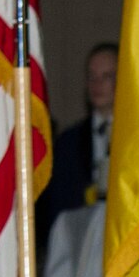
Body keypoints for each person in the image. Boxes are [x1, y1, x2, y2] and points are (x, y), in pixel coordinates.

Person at [37, 42, 116, 264]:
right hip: (77, 253)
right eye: (92, 76)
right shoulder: (68, 143)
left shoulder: (136, 139)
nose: (97, 84)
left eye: (106, 76)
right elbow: (55, 206)